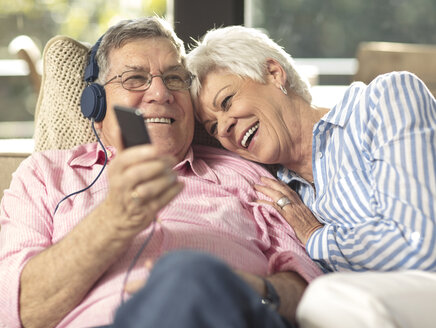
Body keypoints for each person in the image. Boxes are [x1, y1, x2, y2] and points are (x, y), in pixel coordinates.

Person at [0, 17, 322, 328]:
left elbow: (309, 286)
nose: (161, 94)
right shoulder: (46, 176)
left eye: (175, 79)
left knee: (187, 274)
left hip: (230, 316)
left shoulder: (246, 174)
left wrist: (252, 289)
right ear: (97, 107)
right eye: (135, 79)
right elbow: (18, 312)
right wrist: (114, 219)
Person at [186, 25, 436, 327]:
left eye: (226, 102)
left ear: (274, 73)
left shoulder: (384, 101)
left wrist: (316, 235)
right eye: (213, 128)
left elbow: (418, 248)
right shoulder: (275, 195)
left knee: (323, 299)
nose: (223, 128)